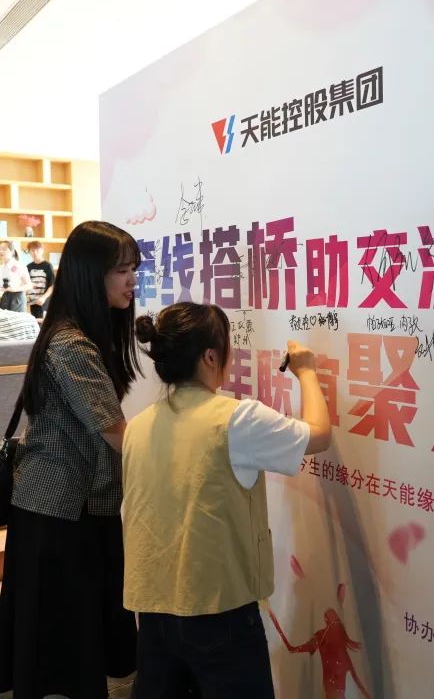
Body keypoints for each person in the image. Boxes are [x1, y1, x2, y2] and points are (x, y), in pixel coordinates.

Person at [122, 301, 331, 699]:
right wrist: (306, 371)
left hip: (152, 610)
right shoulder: (237, 419)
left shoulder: (139, 426)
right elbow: (319, 435)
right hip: (219, 613)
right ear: (210, 357)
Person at [0, 221, 141, 699]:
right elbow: (116, 435)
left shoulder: (79, 335)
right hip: (61, 511)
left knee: (65, 641)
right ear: (89, 275)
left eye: (133, 269)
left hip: (69, 507)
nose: (132, 280)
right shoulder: (72, 344)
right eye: (121, 270)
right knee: (65, 646)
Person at [287, 608, 371, 699]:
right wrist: (366, 694)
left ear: (326, 620)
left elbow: (309, 646)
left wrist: (293, 649)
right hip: (338, 691)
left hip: (332, 689)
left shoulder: (323, 635)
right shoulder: (341, 650)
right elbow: (355, 677)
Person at [0, 240, 33, 312]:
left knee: (17, 319)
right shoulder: (1, 267)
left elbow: (29, 285)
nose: (1, 251)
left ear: (12, 251)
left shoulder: (19, 265)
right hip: (5, 297)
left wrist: (15, 289)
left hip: (17, 298)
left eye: (4, 249)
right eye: (0, 249)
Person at [26, 240, 55, 319]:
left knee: (42, 323)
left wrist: (43, 298)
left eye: (37, 250)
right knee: (33, 322)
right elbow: (26, 284)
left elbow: (52, 285)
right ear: (29, 252)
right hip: (31, 302)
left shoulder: (48, 265)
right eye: (32, 250)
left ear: (42, 251)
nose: (35, 253)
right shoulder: (28, 267)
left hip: (43, 302)